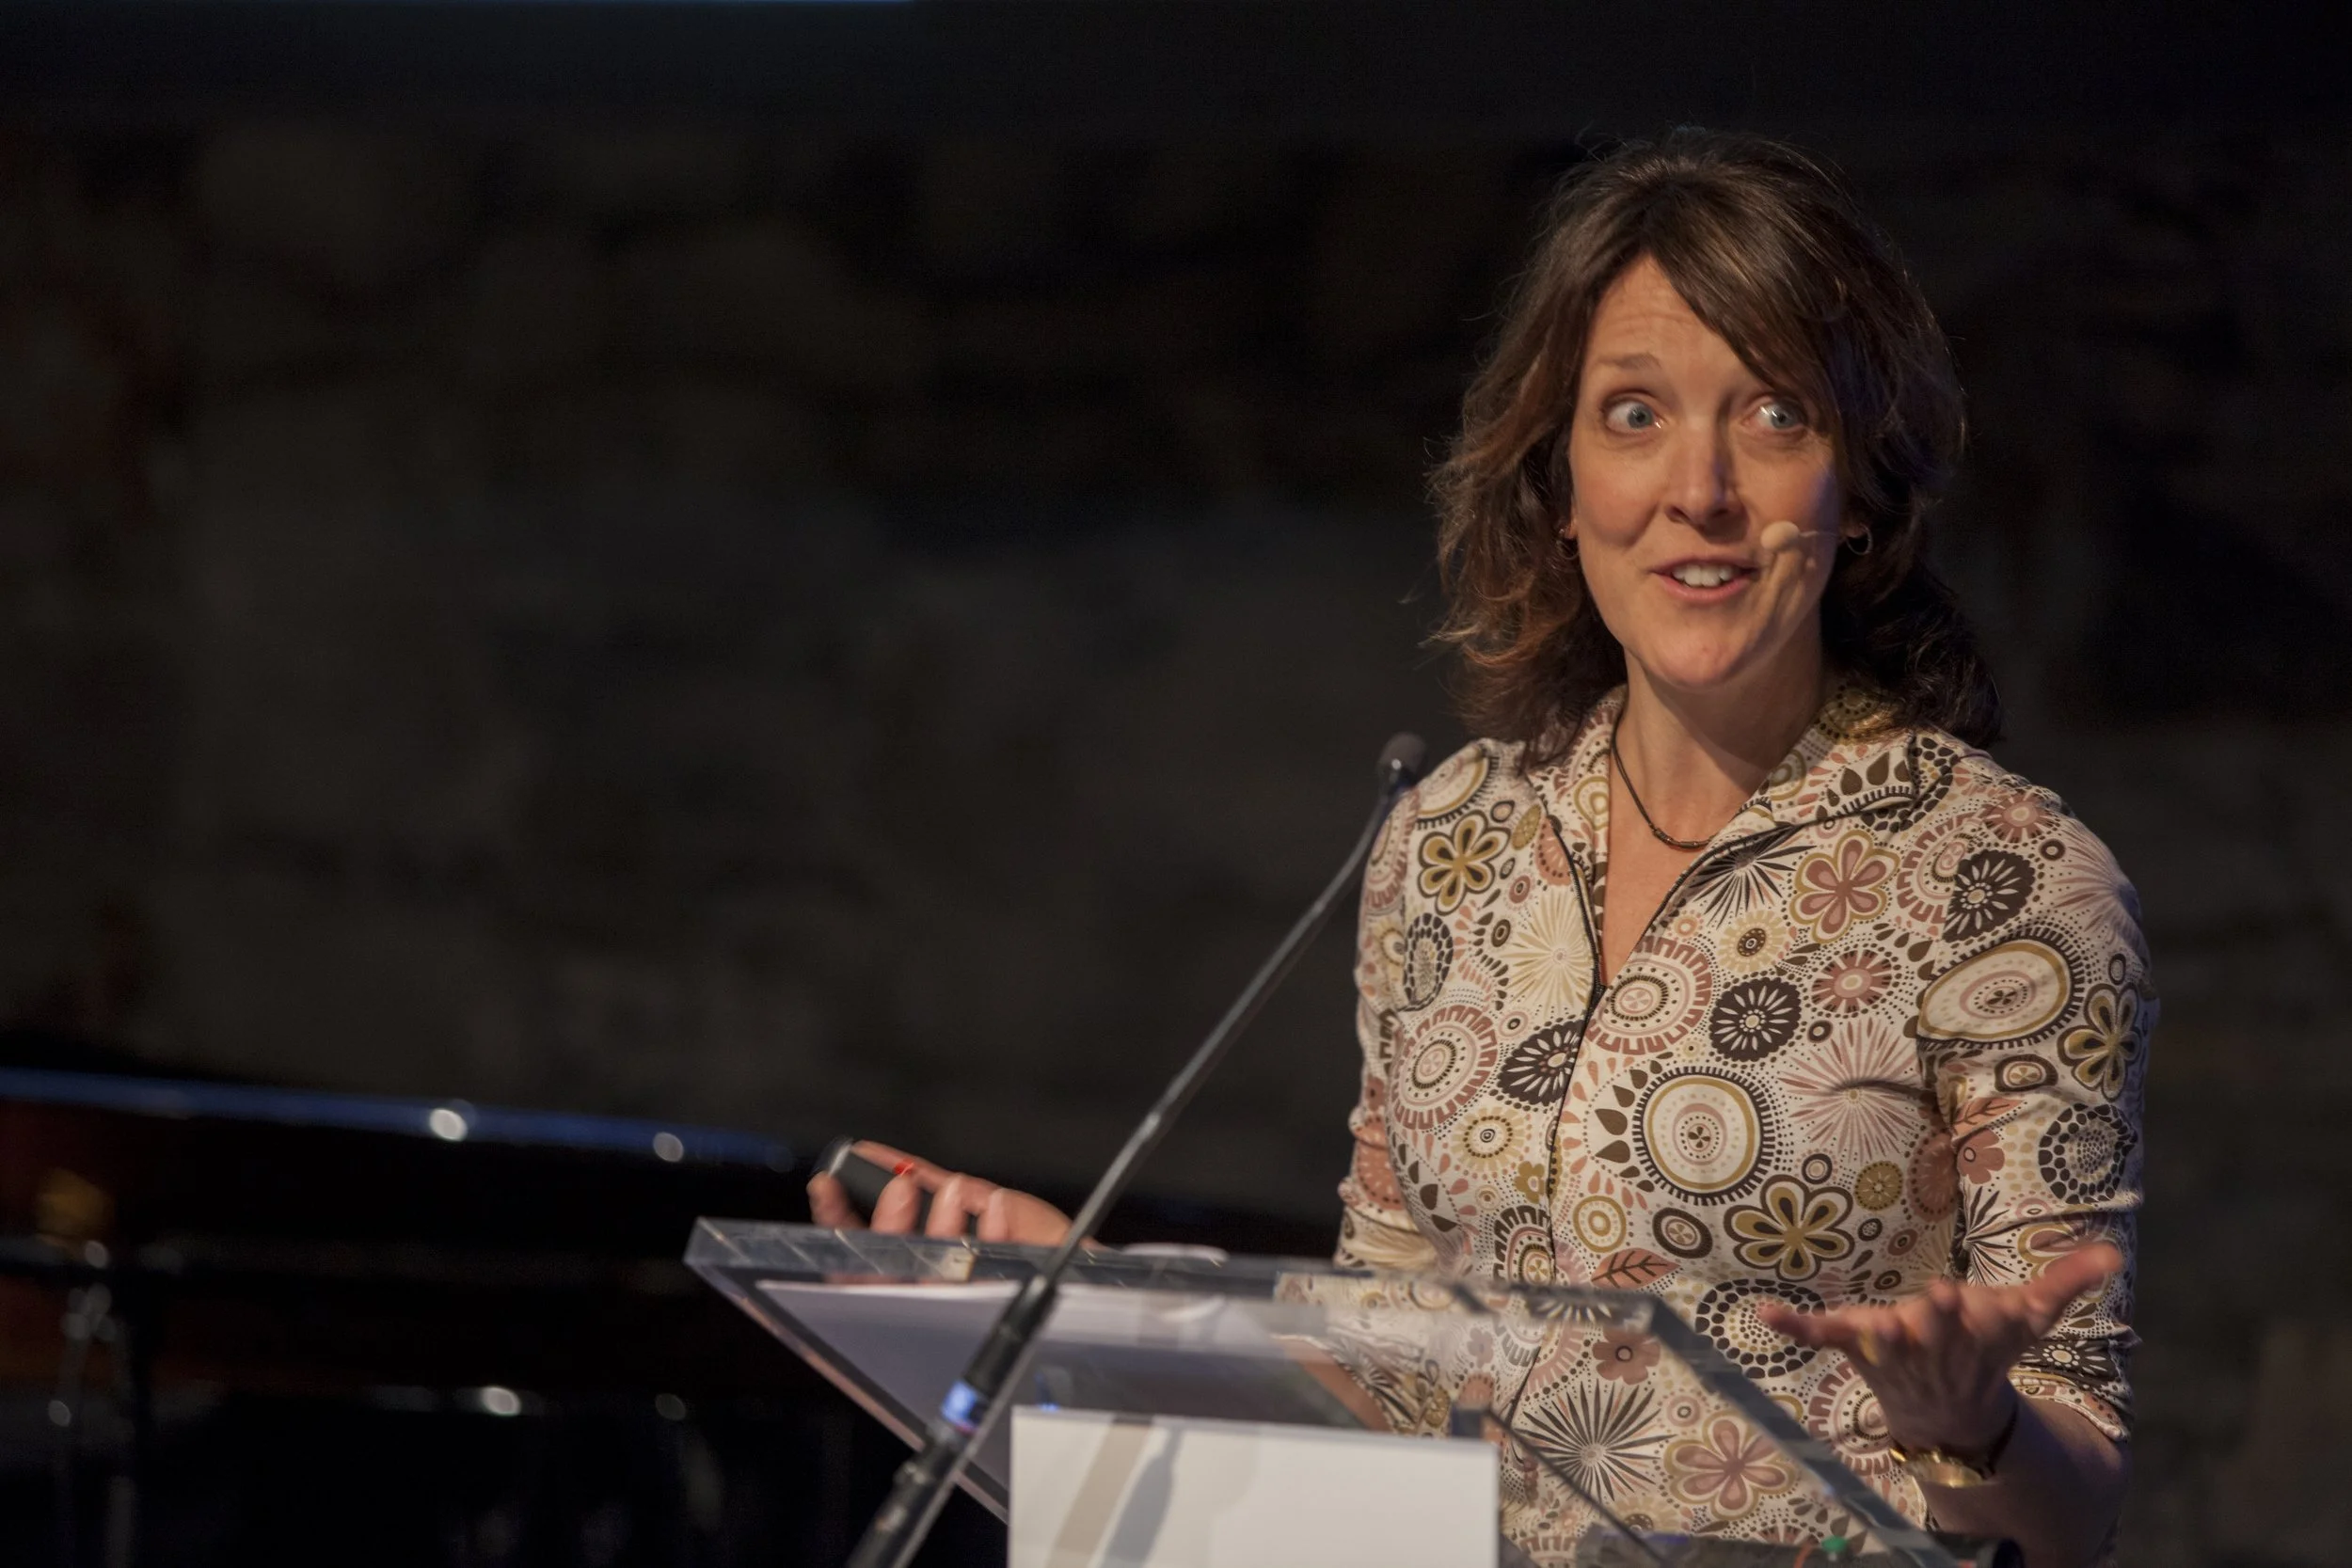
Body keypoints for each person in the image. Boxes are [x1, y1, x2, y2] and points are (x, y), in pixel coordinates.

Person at [810, 132, 2151, 1568]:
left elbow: (2075, 1499)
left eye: (1774, 414)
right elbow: (1386, 1357)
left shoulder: (2006, 879)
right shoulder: (1450, 835)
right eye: (1633, 414)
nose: (1698, 487)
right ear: (1561, 482)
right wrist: (1080, 1297)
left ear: (1861, 482)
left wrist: (1973, 1421)